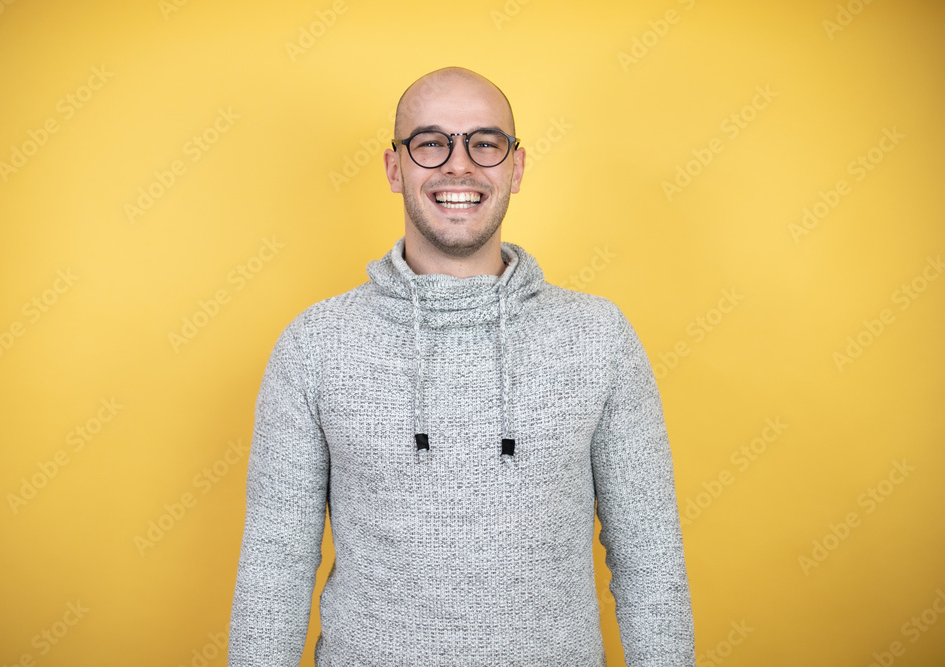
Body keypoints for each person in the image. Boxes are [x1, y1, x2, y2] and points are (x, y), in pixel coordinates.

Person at [228, 66, 695, 666]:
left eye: (485, 142)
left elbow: (648, 557)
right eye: (430, 142)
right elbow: (276, 564)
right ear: (395, 168)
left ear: (516, 167)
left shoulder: (600, 337)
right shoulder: (314, 344)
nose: (458, 165)